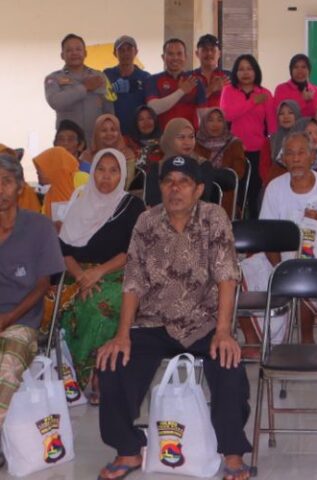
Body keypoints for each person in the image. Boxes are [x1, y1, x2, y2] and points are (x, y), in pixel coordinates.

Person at [95, 155, 251, 480]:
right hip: (154, 323)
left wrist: (224, 331)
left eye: (183, 182)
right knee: (113, 362)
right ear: (159, 187)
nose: (175, 189)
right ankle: (127, 450)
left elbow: (226, 276)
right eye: (168, 182)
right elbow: (133, 281)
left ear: (198, 190)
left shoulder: (213, 217)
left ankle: (233, 453)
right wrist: (122, 333)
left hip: (204, 323)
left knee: (229, 366)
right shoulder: (146, 222)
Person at [58, 148, 145, 403]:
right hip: (78, 276)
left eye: (113, 170)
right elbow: (64, 250)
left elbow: (132, 251)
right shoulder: (80, 202)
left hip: (118, 273)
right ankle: (72, 374)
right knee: (76, 304)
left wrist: (98, 272)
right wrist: (82, 277)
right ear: (92, 171)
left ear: (123, 175)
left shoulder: (131, 206)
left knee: (100, 306)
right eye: (101, 169)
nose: (106, 177)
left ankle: (99, 373)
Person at [0, 155, 65, 439]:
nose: (0, 189)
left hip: (22, 321)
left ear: (20, 187)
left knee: (8, 364)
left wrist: (8, 318)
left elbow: (43, 285)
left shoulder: (39, 227)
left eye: (6, 181)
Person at [260, 133, 317, 341]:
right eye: (290, 153)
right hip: (280, 258)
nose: (296, 159)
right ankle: (258, 342)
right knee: (243, 271)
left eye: (301, 153)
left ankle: (306, 336)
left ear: (312, 157)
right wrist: (279, 269)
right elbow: (267, 233)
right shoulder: (275, 187)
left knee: (310, 232)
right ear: (283, 158)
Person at [219, 53, 273, 214]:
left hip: (259, 151)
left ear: (256, 71)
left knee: (256, 192)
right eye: (241, 69)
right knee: (236, 193)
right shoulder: (228, 91)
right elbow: (227, 115)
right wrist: (253, 102)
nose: (245, 72)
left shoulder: (265, 93)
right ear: (235, 73)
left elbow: (272, 126)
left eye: (249, 68)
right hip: (235, 150)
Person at [45, 33, 114, 137]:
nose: (74, 53)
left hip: (96, 141)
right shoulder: (53, 78)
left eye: (78, 49)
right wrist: (84, 88)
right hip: (68, 142)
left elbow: (108, 109)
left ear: (85, 53)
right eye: (69, 50)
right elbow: (55, 102)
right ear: (62, 55)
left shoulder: (99, 76)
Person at [145, 37, 205, 130]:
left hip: (190, 137)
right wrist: (181, 91)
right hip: (162, 137)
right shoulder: (152, 80)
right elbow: (153, 109)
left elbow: (203, 114)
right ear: (163, 57)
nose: (175, 58)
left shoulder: (195, 81)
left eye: (179, 54)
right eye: (170, 54)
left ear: (185, 57)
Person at [197, 107, 247, 217]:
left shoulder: (234, 143)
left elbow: (238, 172)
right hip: (199, 195)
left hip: (225, 196)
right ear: (204, 122)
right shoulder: (196, 144)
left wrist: (214, 175)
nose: (216, 124)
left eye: (219, 120)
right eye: (210, 120)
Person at [104, 36, 151, 139]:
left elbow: (150, 106)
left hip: (138, 134)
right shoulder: (107, 74)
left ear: (136, 51)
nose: (126, 53)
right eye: (121, 50)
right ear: (114, 53)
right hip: (112, 133)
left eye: (129, 49)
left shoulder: (146, 77)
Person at [85, 114, 138, 187]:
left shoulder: (127, 155)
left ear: (119, 132)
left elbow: (126, 185)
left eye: (113, 130)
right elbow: (84, 184)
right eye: (104, 130)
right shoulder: (87, 156)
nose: (109, 134)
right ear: (97, 133)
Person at [33, 139, 81, 218]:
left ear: (52, 167)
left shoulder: (80, 179)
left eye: (41, 168)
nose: (37, 172)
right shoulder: (49, 195)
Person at [261, 98, 305, 182]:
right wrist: (272, 183)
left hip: (302, 182)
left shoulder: (305, 139)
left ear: (297, 114)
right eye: (281, 114)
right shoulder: (270, 141)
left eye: (290, 113)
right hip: (275, 182)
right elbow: (264, 168)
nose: (286, 117)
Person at [194, 34, 230, 109]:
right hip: (196, 120)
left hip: (223, 120)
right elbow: (188, 105)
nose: (209, 53)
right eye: (204, 50)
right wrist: (210, 89)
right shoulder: (190, 77)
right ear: (197, 53)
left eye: (213, 50)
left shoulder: (229, 76)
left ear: (219, 54)